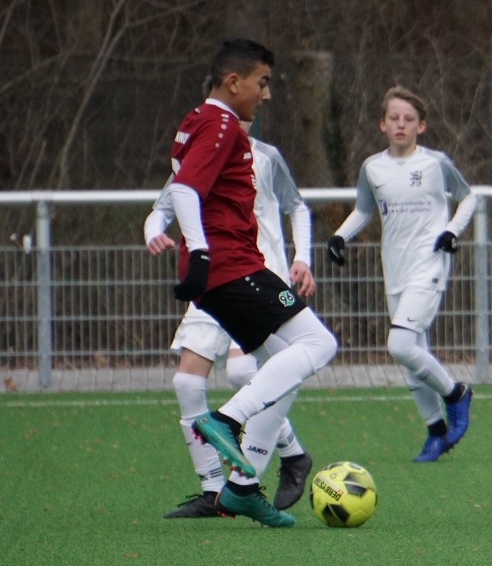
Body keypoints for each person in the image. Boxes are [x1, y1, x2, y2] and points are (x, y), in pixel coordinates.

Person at [156, 38, 337, 528]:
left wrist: (172, 238)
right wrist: (199, 251)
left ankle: (241, 487)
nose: (268, 94)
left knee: (281, 363)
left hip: (226, 271)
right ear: (234, 83)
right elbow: (183, 191)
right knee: (319, 344)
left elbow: (179, 191)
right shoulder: (219, 126)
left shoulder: (201, 125)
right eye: (263, 83)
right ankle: (227, 422)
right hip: (234, 268)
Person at [146, 115, 316, 519]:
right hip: (212, 279)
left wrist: (303, 257)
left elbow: (297, 207)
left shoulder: (265, 157)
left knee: (242, 373)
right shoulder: (198, 158)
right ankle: (213, 490)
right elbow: (162, 208)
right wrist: (153, 231)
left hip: (257, 278)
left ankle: (289, 454)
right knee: (186, 382)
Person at [326, 86, 475, 463]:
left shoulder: (435, 163)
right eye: (394, 118)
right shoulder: (372, 168)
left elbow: (468, 197)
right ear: (382, 124)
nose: (401, 124)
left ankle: (456, 394)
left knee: (400, 345)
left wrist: (451, 230)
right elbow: (364, 210)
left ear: (421, 126)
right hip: (394, 268)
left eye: (409, 119)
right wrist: (340, 236)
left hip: (429, 264)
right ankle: (436, 433)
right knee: (411, 355)